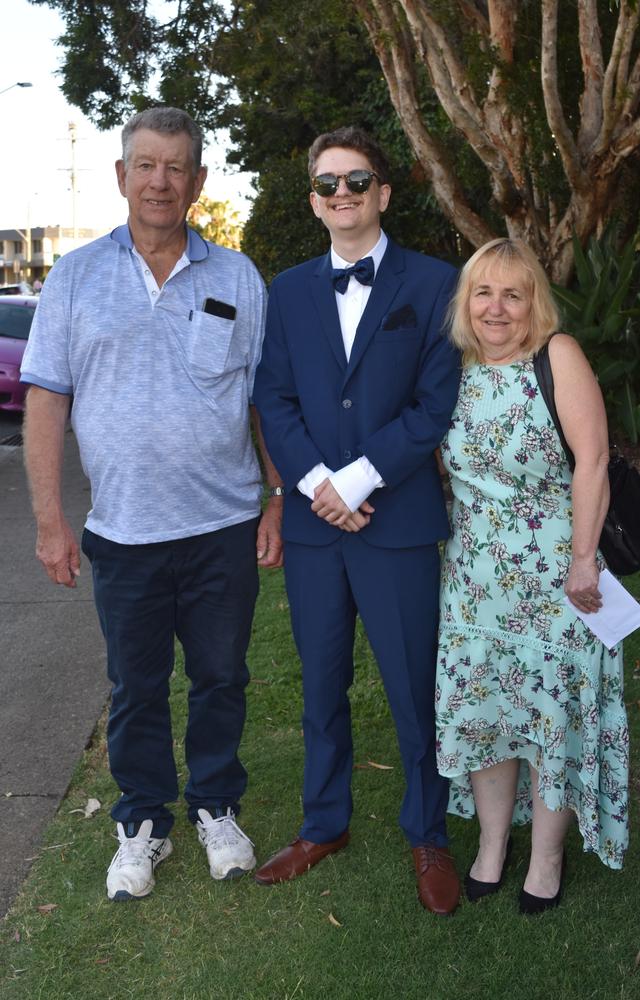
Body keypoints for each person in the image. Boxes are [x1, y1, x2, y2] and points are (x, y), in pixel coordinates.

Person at [20, 106, 283, 902]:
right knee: (135, 686)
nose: (160, 181)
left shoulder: (237, 276)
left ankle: (215, 805)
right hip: (124, 533)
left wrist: (275, 500)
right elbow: (45, 402)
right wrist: (49, 522)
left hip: (223, 527)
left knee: (219, 677)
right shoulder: (74, 278)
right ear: (122, 176)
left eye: (176, 167)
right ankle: (141, 822)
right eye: (146, 165)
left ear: (199, 181)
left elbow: (263, 401)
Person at [253, 126, 462, 915]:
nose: (343, 194)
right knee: (321, 682)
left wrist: (361, 477)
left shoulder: (436, 284)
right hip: (315, 528)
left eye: (357, 180)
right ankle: (324, 823)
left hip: (398, 520)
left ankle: (428, 831)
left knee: (414, 686)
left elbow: (435, 401)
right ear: (314, 200)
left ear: (381, 192)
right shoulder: (287, 291)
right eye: (328, 183)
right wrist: (315, 485)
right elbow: (272, 396)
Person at [435, 237, 629, 914]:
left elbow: (594, 460)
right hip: (474, 578)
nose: (496, 308)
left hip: (556, 577)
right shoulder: (451, 367)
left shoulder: (558, 356)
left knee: (550, 714)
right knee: (486, 710)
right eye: (483, 292)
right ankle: (492, 845)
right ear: (466, 302)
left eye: (513, 294)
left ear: (533, 303)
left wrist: (582, 558)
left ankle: (545, 857)